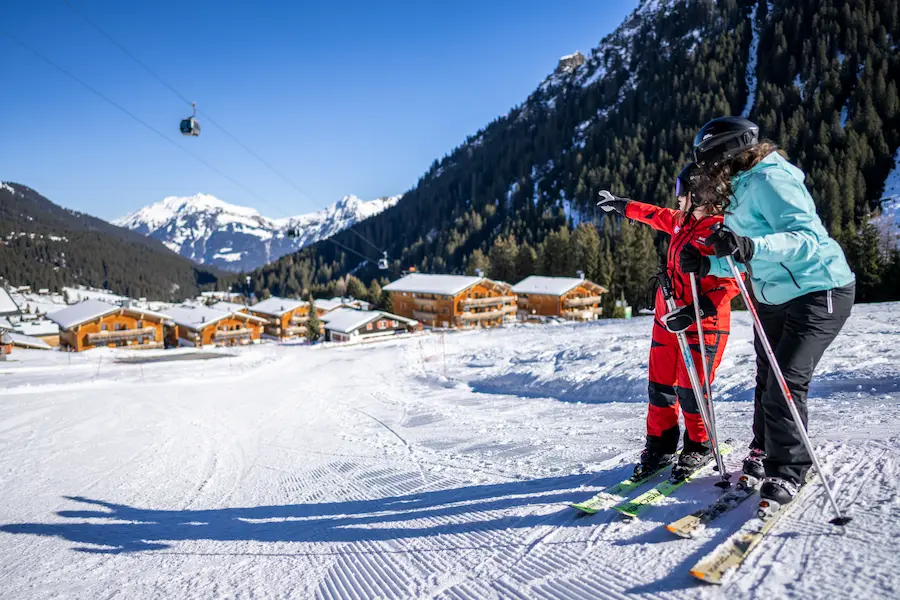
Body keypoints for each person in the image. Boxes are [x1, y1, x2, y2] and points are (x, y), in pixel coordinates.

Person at [680, 116, 856, 507]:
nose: (706, 171)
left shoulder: (772, 179)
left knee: (785, 383)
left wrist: (751, 246)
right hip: (773, 295)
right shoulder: (741, 187)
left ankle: (789, 470)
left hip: (818, 288)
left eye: (709, 161)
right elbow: (744, 253)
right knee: (766, 380)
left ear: (728, 153)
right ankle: (763, 448)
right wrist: (710, 264)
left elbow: (806, 239)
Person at [598, 164, 738, 481]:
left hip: (703, 325)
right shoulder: (680, 222)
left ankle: (699, 446)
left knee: (692, 391)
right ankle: (660, 445)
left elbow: (731, 281)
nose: (677, 197)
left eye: (681, 191)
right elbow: (653, 214)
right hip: (667, 319)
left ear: (699, 194)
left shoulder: (720, 231)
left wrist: (696, 311)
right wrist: (622, 205)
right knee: (660, 388)